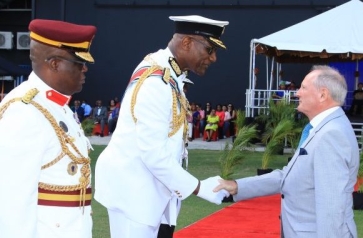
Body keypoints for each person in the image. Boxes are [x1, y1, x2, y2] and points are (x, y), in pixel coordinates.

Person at [95, 15, 229, 238]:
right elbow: (153, 153)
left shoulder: (168, 72)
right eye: (209, 50)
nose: (213, 58)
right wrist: (200, 188)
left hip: (153, 193)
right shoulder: (156, 82)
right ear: (186, 43)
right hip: (135, 195)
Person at [215, 65, 359, 238]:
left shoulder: (330, 134)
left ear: (322, 94)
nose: (297, 93)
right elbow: (289, 176)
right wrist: (238, 186)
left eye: (303, 88)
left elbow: (331, 206)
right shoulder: (323, 128)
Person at [0, 19, 97, 238]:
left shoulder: (56, 104)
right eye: (79, 62)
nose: (85, 69)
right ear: (54, 64)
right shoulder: (25, 112)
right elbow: (12, 204)